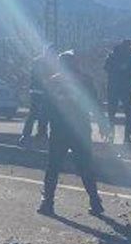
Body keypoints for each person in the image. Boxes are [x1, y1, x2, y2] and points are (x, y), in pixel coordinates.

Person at [39, 51, 108, 217]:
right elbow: (94, 104)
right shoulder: (85, 80)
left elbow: (45, 109)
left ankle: (47, 202)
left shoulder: (52, 81)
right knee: (85, 166)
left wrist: (41, 130)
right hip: (81, 130)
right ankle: (95, 202)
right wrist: (102, 124)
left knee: (53, 167)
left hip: (59, 130)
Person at [103, 40, 131, 144]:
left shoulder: (113, 54)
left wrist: (116, 68)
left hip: (114, 87)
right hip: (123, 87)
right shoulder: (130, 55)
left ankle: (112, 136)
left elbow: (106, 68)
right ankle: (125, 137)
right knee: (127, 113)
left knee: (112, 113)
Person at [19, 51, 53, 147]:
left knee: (37, 113)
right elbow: (43, 77)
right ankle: (37, 135)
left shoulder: (38, 61)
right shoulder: (43, 62)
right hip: (40, 91)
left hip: (37, 91)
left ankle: (32, 135)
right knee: (40, 113)